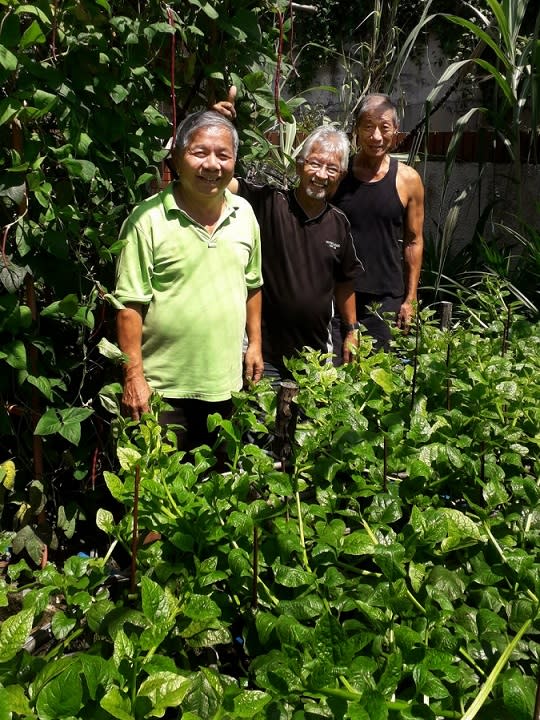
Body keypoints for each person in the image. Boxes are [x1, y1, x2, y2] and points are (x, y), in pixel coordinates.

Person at [114, 110, 263, 451]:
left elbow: (253, 285)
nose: (212, 165)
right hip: (163, 392)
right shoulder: (146, 221)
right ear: (177, 159)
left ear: (234, 162)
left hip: (228, 387)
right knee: (157, 497)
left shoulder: (245, 215)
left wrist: (254, 344)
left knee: (223, 495)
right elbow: (129, 305)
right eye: (200, 153)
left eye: (223, 155)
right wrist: (133, 377)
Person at [214, 88, 362, 378]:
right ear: (299, 166)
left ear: (341, 176)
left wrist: (352, 330)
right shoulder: (270, 203)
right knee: (259, 422)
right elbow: (221, 181)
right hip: (263, 354)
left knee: (313, 424)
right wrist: (218, 126)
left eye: (332, 168)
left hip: (317, 359)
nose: (321, 174)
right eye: (315, 164)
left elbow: (345, 282)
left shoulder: (339, 223)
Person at [331, 93, 424, 352]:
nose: (376, 136)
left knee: (380, 380)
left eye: (384, 127)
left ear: (395, 131)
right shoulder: (338, 174)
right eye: (368, 127)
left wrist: (410, 298)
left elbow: (414, 240)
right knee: (333, 377)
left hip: (385, 298)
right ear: (356, 130)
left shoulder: (408, 180)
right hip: (338, 295)